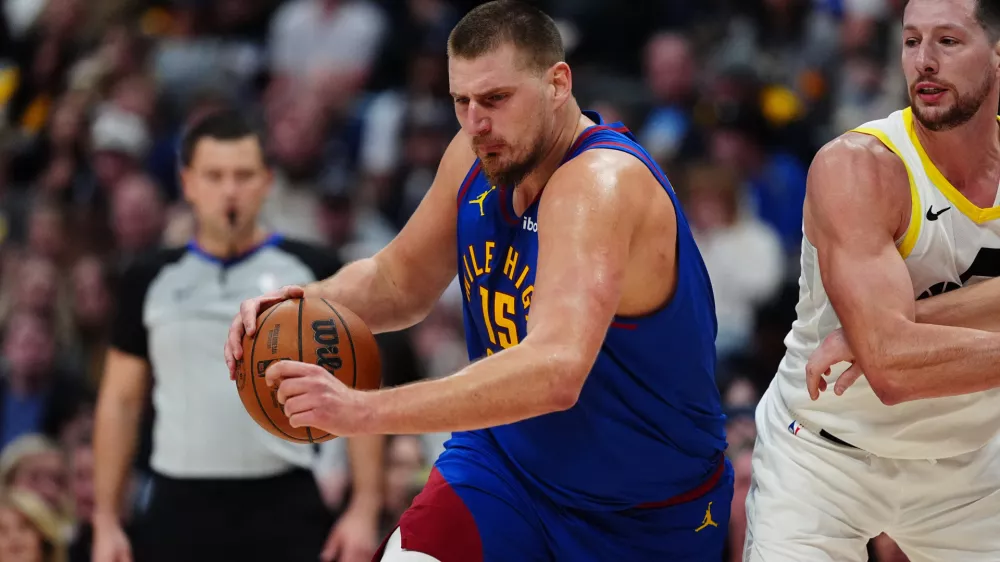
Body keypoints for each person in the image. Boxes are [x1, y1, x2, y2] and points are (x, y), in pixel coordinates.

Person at [224, 2, 732, 561]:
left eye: (495, 99)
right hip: (505, 473)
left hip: (642, 512)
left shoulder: (602, 183)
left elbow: (555, 371)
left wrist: (362, 411)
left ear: (557, 83)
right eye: (461, 102)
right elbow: (399, 282)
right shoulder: (475, 154)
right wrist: (298, 302)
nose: (476, 122)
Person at [744, 0, 1000, 560]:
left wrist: (910, 323)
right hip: (826, 458)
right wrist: (883, 337)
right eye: (911, 41)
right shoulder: (858, 166)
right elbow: (890, 365)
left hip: (971, 464)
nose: (924, 62)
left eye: (949, 42)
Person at [91, 109, 384, 562]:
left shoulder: (316, 268)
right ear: (187, 182)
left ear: (267, 181)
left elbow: (359, 386)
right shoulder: (148, 277)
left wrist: (364, 507)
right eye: (214, 175)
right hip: (177, 502)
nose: (230, 189)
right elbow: (120, 402)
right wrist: (106, 520)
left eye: (243, 175)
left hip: (285, 498)